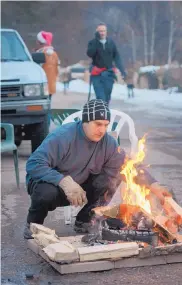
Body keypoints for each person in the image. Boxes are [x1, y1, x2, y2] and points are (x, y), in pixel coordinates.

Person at [24, 99, 171, 239]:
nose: (102, 130)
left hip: (81, 189)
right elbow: (34, 164)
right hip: (53, 186)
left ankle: (85, 219)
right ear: (85, 121)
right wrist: (63, 181)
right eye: (98, 124)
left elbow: (129, 167)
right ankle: (33, 225)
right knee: (45, 193)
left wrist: (153, 184)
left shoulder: (108, 143)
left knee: (113, 176)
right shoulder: (63, 136)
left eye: (106, 125)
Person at [87, 23, 127, 105]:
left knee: (107, 97)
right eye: (100, 31)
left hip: (109, 74)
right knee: (100, 98)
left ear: (106, 32)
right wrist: (96, 41)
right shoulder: (92, 42)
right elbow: (90, 54)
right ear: (97, 32)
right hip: (97, 74)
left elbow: (117, 57)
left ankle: (105, 115)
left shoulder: (111, 42)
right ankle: (102, 115)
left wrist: (122, 70)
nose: (102, 33)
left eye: (104, 31)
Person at [36, 31, 60, 100]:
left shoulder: (41, 54)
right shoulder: (54, 54)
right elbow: (57, 70)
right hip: (51, 85)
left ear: (41, 42)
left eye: (37, 41)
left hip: (42, 86)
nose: (36, 43)